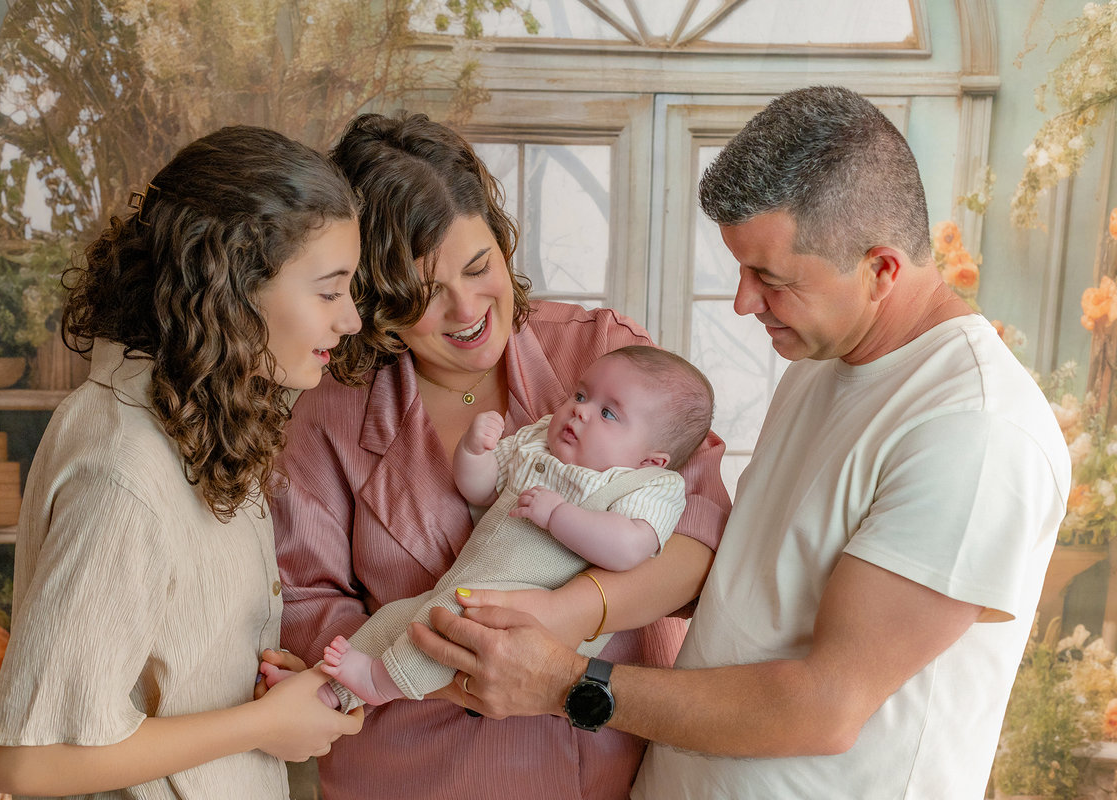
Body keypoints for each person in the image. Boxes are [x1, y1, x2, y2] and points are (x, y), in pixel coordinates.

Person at [409, 85, 1072, 799]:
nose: (742, 302)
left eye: (771, 279)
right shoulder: (824, 363)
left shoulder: (975, 431)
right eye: (741, 269)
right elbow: (749, 596)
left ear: (881, 269)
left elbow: (825, 708)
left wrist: (567, 683)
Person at [266, 111, 732, 800]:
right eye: (427, 293)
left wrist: (568, 620)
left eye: (479, 267)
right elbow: (307, 602)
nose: (466, 309)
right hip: (413, 774)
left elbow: (700, 535)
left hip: (600, 772)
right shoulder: (329, 412)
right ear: (374, 299)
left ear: (502, 242)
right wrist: (463, 671)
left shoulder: (606, 353)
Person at [0, 126, 365, 799]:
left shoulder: (196, 417)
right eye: (329, 292)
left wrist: (260, 692)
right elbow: (25, 762)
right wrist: (261, 725)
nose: (351, 319)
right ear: (232, 285)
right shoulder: (125, 467)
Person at [265, 345, 713, 711]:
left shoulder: (648, 485)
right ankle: (325, 690)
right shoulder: (539, 440)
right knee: (396, 618)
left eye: (609, 414)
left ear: (651, 459)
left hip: (528, 606)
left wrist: (559, 516)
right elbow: (479, 489)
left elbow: (629, 548)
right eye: (580, 396)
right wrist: (474, 452)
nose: (580, 412)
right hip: (469, 582)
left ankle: (378, 683)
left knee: (444, 627)